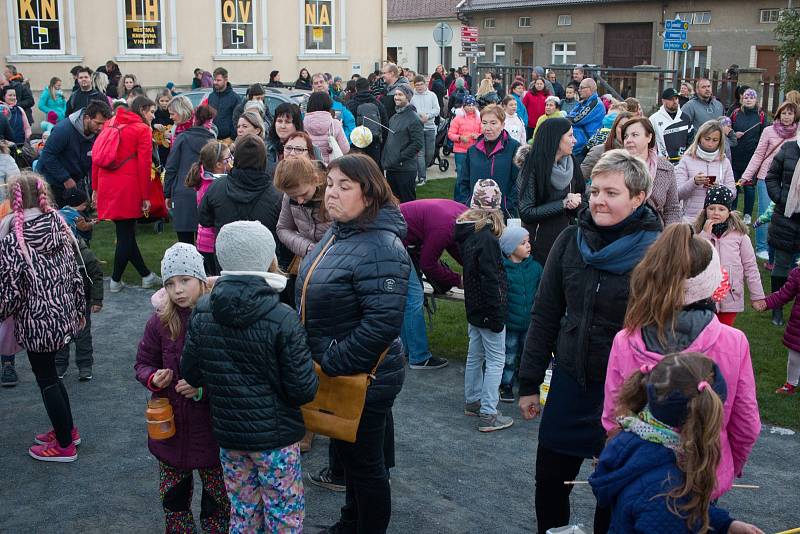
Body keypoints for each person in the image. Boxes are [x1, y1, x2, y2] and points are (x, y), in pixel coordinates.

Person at [518, 150, 661, 534]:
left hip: (627, 395)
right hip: (569, 382)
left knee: (612, 492)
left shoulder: (657, 253)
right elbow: (545, 313)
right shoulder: (569, 240)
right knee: (549, 482)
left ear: (639, 197)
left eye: (612, 193)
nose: (598, 199)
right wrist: (529, 382)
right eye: (595, 190)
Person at [602, 224, 761, 499]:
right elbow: (746, 423)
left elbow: (613, 418)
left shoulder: (625, 339)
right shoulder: (734, 342)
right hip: (702, 480)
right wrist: (726, 466)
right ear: (711, 281)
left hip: (636, 479)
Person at [297, 154, 411, 534]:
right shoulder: (341, 231)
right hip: (339, 371)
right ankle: (351, 521)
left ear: (370, 193)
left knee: (365, 465)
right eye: (330, 184)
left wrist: (332, 360)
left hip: (363, 377)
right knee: (351, 456)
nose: (332, 193)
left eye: (344, 186)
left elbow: (382, 323)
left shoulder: (381, 245)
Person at [180, 222, 317, 532]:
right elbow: (303, 389)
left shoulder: (203, 311)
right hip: (276, 439)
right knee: (283, 514)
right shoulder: (282, 318)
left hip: (230, 436)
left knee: (243, 512)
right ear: (267, 258)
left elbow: (191, 372)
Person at [591, 353, 765, 534]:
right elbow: (667, 509)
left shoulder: (634, 437)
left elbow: (674, 512)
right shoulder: (667, 491)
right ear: (705, 416)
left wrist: (724, 524)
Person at [135, 243, 230, 532]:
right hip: (170, 429)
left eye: (185, 280)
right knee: (174, 499)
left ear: (201, 280)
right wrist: (153, 377)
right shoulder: (160, 323)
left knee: (218, 497)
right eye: (171, 283)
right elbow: (142, 363)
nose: (178, 290)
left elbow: (232, 373)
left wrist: (203, 390)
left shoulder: (219, 319)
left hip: (212, 428)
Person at [0, 172, 85, 462]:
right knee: (52, 376)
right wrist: (77, 311)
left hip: (37, 322)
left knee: (47, 379)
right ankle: (68, 430)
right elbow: (76, 274)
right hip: (62, 315)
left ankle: (64, 446)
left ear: (14, 200)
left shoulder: (14, 240)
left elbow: (10, 291)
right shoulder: (61, 228)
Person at [454, 180, 513, 431]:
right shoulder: (487, 238)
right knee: (496, 359)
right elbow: (492, 279)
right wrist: (498, 313)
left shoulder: (468, 232)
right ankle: (489, 412)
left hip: (474, 307)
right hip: (488, 309)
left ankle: (473, 400)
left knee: (475, 354)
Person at [92, 96, 162, 292]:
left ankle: (145, 275)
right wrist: (146, 195)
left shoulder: (111, 123)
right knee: (125, 235)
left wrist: (96, 187)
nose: (153, 115)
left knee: (125, 233)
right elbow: (144, 164)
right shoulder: (142, 130)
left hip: (108, 184)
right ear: (141, 110)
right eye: (151, 111)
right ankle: (115, 280)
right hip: (127, 186)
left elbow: (96, 158)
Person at [399, 199, 464, 371]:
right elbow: (428, 264)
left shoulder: (460, 215)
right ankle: (419, 357)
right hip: (394, 240)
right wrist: (458, 280)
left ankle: (404, 351)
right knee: (414, 297)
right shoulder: (445, 227)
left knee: (408, 298)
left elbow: (454, 245)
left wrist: (470, 267)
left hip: (398, 235)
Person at [198, 134, 283, 254]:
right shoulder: (276, 194)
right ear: (263, 159)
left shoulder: (217, 186)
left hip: (228, 259)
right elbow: (204, 219)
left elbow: (204, 219)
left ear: (236, 157)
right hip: (262, 260)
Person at [517, 118, 585, 266]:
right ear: (555, 138)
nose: (575, 140)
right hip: (539, 247)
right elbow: (526, 212)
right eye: (570, 135)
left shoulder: (572, 162)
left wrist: (577, 203)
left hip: (567, 242)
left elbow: (581, 196)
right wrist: (563, 204)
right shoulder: (533, 166)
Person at [694, 186, 765, 327]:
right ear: (705, 211)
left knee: (723, 337)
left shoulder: (740, 236)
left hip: (730, 298)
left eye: (721, 209)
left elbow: (750, 266)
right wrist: (705, 235)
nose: (716, 213)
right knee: (705, 337)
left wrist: (757, 296)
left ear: (729, 212)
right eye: (711, 208)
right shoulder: (697, 234)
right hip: (704, 299)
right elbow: (692, 259)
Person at [742, 101, 799, 263]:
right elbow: (759, 155)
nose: (787, 117)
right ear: (778, 114)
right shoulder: (768, 131)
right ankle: (762, 247)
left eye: (790, 113)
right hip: (766, 177)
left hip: (790, 180)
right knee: (765, 213)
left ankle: (783, 249)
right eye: (784, 113)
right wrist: (747, 175)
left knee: (785, 214)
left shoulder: (798, 133)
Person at [55, 191, 102, 381]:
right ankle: (60, 366)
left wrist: (97, 300)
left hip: (82, 301)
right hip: (61, 303)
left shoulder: (85, 255)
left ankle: (85, 366)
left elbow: (97, 277)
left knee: (83, 336)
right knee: (61, 336)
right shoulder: (55, 256)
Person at [37, 100, 111, 207]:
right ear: (86, 118)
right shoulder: (63, 130)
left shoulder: (96, 133)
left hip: (73, 180)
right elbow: (47, 156)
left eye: (104, 124)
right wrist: (65, 178)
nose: (100, 128)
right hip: (50, 181)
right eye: (98, 123)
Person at [499, 226, 542, 403]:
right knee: (508, 355)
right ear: (510, 249)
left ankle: (526, 383)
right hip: (510, 323)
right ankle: (506, 385)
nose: (528, 245)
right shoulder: (504, 270)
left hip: (530, 323)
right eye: (523, 243)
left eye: (528, 241)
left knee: (528, 355)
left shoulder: (535, 268)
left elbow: (541, 291)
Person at [455, 104, 521, 216]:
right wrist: (468, 203)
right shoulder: (472, 151)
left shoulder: (514, 148)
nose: (488, 127)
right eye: (484, 123)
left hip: (504, 214)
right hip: (476, 213)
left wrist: (506, 205)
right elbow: (463, 182)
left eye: (493, 123)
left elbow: (519, 182)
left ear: (502, 125)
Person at [165, 104, 217, 245]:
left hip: (182, 192)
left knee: (184, 243)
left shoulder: (182, 138)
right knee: (204, 243)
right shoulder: (213, 141)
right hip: (204, 192)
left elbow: (171, 167)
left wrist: (167, 194)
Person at [765, 127, 800, 326]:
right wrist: (781, 199)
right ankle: (776, 308)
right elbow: (771, 177)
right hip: (786, 218)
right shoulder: (788, 149)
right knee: (782, 265)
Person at [183, 140, 232, 276]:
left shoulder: (206, 178)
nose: (232, 160)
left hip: (204, 241)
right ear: (218, 164)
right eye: (229, 158)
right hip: (212, 242)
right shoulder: (213, 185)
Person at [621, 118, 682, 225]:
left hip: (656, 232)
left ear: (649, 137)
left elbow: (672, 208)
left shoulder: (666, 168)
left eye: (635, 135)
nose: (628, 139)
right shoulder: (615, 166)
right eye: (626, 136)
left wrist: (668, 236)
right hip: (622, 230)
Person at [676, 119, 736, 222]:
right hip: (690, 218)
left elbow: (733, 194)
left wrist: (719, 188)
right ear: (699, 138)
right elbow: (677, 194)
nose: (710, 144)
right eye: (707, 139)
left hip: (717, 219)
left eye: (715, 140)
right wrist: (694, 182)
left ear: (720, 141)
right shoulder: (686, 159)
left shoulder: (724, 162)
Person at [381, 84, 423, 203]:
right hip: (392, 168)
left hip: (405, 170)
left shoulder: (414, 118)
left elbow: (417, 144)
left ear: (408, 97)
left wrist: (399, 158)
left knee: (407, 204)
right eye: (395, 94)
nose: (396, 97)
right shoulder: (394, 117)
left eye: (400, 95)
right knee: (393, 203)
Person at [730, 88, 766, 223]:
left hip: (751, 157)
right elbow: (727, 129)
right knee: (734, 185)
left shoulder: (761, 115)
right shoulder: (735, 113)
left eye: (751, 98)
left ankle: (747, 214)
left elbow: (763, 135)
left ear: (756, 100)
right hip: (735, 155)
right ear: (742, 100)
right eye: (746, 98)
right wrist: (734, 133)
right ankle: (732, 211)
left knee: (749, 187)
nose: (748, 100)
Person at [345, 76, 388, 168]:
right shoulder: (377, 103)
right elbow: (384, 124)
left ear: (356, 88)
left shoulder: (350, 104)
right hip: (374, 143)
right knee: (374, 169)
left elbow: (347, 125)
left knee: (359, 169)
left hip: (356, 144)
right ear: (369, 88)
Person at [682, 79, 737, 149]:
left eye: (708, 86)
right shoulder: (689, 106)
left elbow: (724, 126)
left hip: (717, 150)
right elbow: (682, 129)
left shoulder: (719, 105)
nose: (707, 89)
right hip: (697, 149)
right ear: (697, 90)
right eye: (703, 87)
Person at [581, 112, 634, 178]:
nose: (625, 131)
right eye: (622, 127)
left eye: (629, 128)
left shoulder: (639, 153)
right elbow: (580, 179)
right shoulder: (598, 151)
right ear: (615, 128)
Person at [303, 92, 350, 165]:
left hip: (309, 166)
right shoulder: (335, 124)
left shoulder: (303, 124)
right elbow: (345, 149)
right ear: (328, 105)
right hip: (331, 167)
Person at [411, 75, 440, 185]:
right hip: (418, 129)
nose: (419, 87)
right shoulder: (413, 97)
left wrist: (428, 116)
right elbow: (411, 110)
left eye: (420, 84)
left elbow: (437, 109)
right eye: (416, 85)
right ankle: (422, 177)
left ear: (425, 84)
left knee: (430, 153)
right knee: (420, 154)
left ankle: (423, 167)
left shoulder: (432, 95)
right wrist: (418, 117)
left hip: (430, 128)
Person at [649, 87, 690, 163]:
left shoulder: (685, 118)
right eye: (671, 99)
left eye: (676, 98)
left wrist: (687, 155)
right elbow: (649, 142)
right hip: (662, 163)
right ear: (663, 101)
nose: (675, 101)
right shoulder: (653, 119)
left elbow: (691, 139)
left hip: (682, 163)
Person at [568, 78, 606, 159]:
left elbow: (576, 120)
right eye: (579, 88)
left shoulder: (595, 103)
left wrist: (571, 118)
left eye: (582, 88)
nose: (579, 90)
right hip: (577, 146)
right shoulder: (582, 102)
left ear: (591, 89)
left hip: (586, 147)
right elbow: (570, 116)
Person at [447, 95, 481, 182]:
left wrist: (478, 136)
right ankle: (459, 195)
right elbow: (450, 134)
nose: (471, 107)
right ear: (464, 106)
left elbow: (483, 132)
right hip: (460, 151)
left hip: (475, 150)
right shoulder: (457, 118)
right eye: (468, 105)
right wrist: (460, 138)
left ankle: (469, 195)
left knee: (473, 175)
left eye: (473, 105)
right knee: (461, 176)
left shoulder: (479, 118)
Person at [206, 68, 242, 143]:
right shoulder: (211, 96)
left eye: (218, 80)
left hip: (228, 140)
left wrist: (232, 137)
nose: (215, 82)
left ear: (226, 80)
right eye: (214, 80)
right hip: (212, 138)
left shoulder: (235, 98)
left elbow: (238, 120)